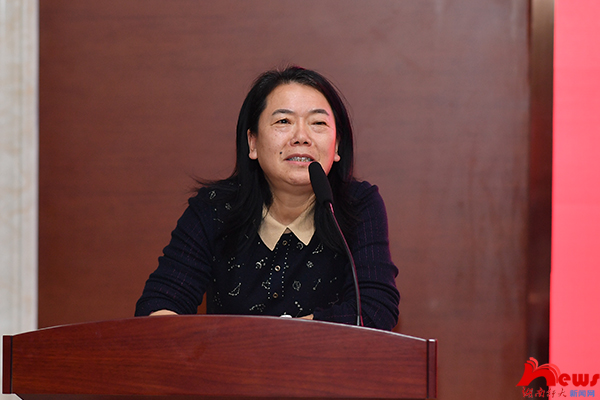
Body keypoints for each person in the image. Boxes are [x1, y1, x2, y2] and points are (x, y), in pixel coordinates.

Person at [135, 66, 400, 330]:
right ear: (252, 143)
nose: (301, 137)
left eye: (318, 123)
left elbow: (374, 311)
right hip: (230, 359)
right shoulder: (214, 209)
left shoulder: (356, 204)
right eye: (283, 121)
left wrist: (270, 340)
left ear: (337, 145)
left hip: (320, 361)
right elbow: (158, 305)